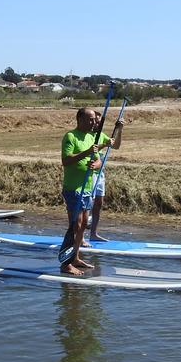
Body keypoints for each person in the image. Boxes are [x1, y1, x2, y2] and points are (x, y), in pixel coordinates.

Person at [60, 107, 111, 275]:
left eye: (93, 120)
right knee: (75, 225)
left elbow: (97, 161)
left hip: (88, 187)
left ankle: (75, 257)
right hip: (73, 188)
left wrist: (95, 164)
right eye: (89, 120)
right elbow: (66, 161)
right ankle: (66, 264)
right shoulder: (70, 136)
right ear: (79, 119)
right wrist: (86, 153)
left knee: (83, 226)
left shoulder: (91, 137)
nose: (93, 123)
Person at [87, 114, 123, 243]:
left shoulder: (101, 134)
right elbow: (92, 150)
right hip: (90, 174)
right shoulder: (88, 135)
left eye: (99, 122)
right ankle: (78, 234)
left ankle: (93, 234)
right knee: (87, 204)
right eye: (95, 121)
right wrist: (105, 144)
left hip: (100, 174)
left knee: (98, 204)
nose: (97, 124)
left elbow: (116, 146)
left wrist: (119, 130)